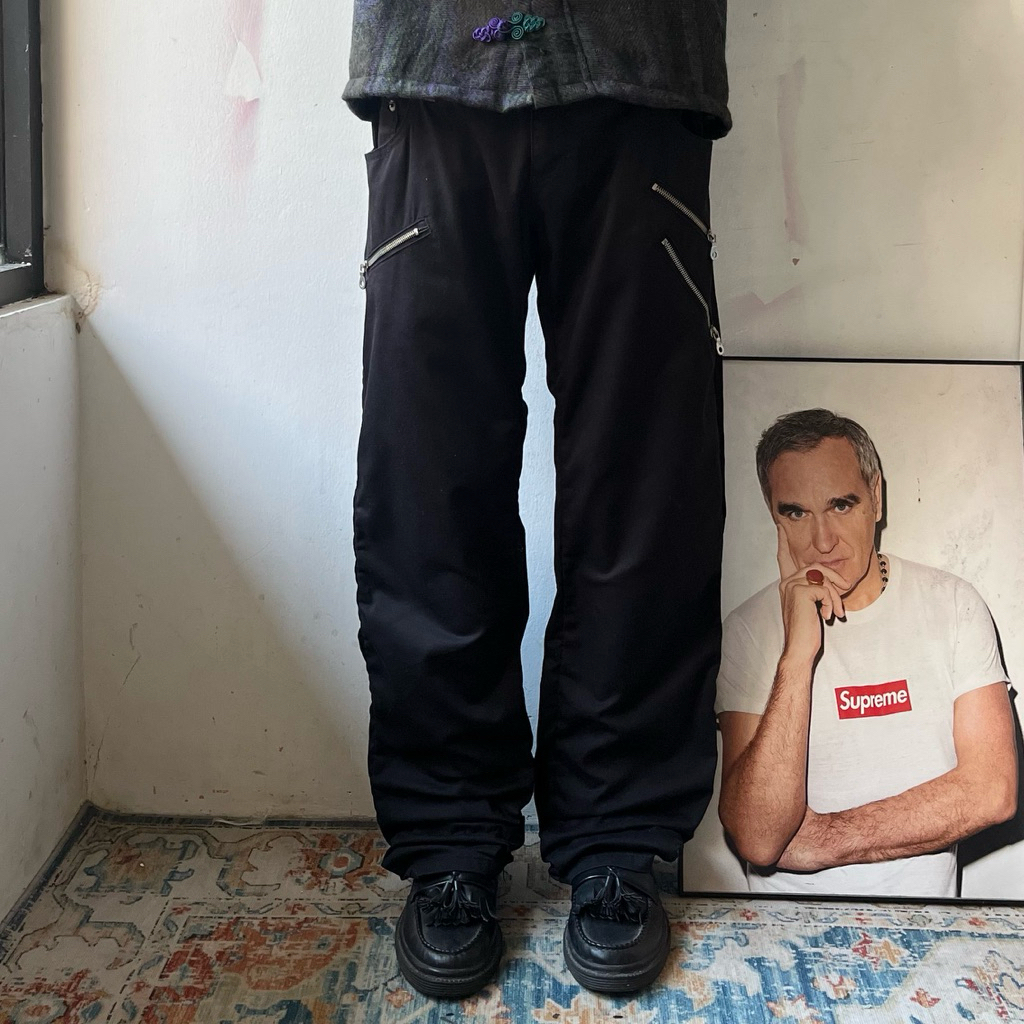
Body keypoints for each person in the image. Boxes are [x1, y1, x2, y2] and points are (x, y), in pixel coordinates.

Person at [344, 1, 730, 998]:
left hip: (639, 69)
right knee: (426, 479)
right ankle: (448, 833)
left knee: (644, 486)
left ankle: (618, 828)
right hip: (436, 62)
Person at [716, 408, 1018, 897]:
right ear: (774, 515)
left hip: (922, 928)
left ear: (875, 496)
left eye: (840, 505)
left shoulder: (951, 604)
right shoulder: (749, 629)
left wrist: (822, 841)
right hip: (783, 932)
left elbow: (992, 790)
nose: (822, 541)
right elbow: (758, 836)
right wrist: (796, 656)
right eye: (796, 512)